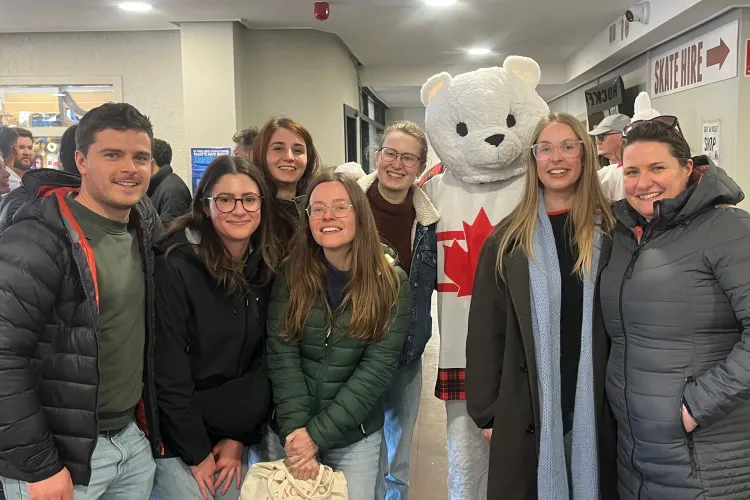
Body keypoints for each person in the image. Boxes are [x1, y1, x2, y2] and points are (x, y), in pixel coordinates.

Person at [0, 103, 162, 499]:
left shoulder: (142, 229)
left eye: (140, 157)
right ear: (81, 160)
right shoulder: (35, 240)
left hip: (130, 444)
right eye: (112, 155)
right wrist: (40, 466)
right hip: (59, 460)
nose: (130, 168)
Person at [466, 113, 618, 499]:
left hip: (596, 404)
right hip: (527, 409)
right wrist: (487, 413)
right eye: (545, 149)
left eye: (568, 147)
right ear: (533, 160)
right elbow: (486, 331)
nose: (557, 158)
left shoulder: (613, 233)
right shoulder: (508, 241)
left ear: (585, 156)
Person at [600, 116, 750, 499]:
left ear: (687, 168)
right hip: (636, 448)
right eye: (632, 171)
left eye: (657, 168)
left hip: (704, 450)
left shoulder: (727, 229)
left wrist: (696, 405)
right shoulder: (625, 233)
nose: (643, 182)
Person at [265, 171, 410, 500]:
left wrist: (317, 435)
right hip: (290, 431)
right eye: (317, 208)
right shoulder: (291, 271)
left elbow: (376, 370)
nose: (328, 216)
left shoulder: (390, 281)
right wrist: (298, 433)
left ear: (359, 214)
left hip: (353, 437)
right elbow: (281, 351)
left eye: (340, 206)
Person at [150, 156, 280, 500]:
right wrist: (196, 452)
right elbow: (169, 370)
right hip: (180, 434)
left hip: (232, 432)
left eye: (249, 199)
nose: (239, 209)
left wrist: (239, 436)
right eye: (225, 199)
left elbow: (261, 361)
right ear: (206, 206)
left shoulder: (264, 266)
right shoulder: (175, 265)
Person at [356, 121, 439, 500]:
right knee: (360, 453)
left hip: (406, 351)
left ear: (420, 166)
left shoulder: (429, 221)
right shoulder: (347, 207)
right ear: (377, 156)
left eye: (408, 157)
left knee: (399, 458)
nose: (397, 164)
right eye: (391, 153)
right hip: (353, 352)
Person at [251, 117, 319, 245]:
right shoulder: (251, 210)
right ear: (262, 154)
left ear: (308, 159)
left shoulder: (318, 205)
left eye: (298, 150)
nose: (289, 157)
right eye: (278, 148)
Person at [148, 138, 192, 226]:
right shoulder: (157, 186)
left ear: (151, 162)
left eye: (141, 157)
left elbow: (170, 233)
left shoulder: (173, 190)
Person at [588, 114, 629, 201]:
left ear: (622, 136)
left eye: (601, 136)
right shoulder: (601, 173)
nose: (597, 142)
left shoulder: (632, 173)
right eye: (596, 137)